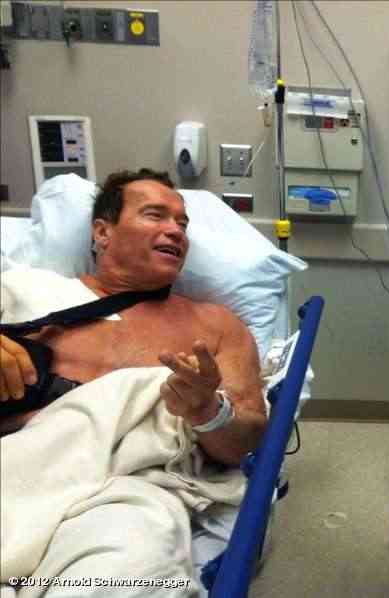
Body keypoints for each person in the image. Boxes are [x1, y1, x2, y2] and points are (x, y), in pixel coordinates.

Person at [0, 169, 267, 595]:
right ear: (102, 232)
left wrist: (208, 412)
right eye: (155, 215)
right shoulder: (23, 291)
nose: (175, 231)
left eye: (182, 223)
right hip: (16, 467)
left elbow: (246, 442)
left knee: (127, 573)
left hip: (125, 493)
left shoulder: (216, 326)